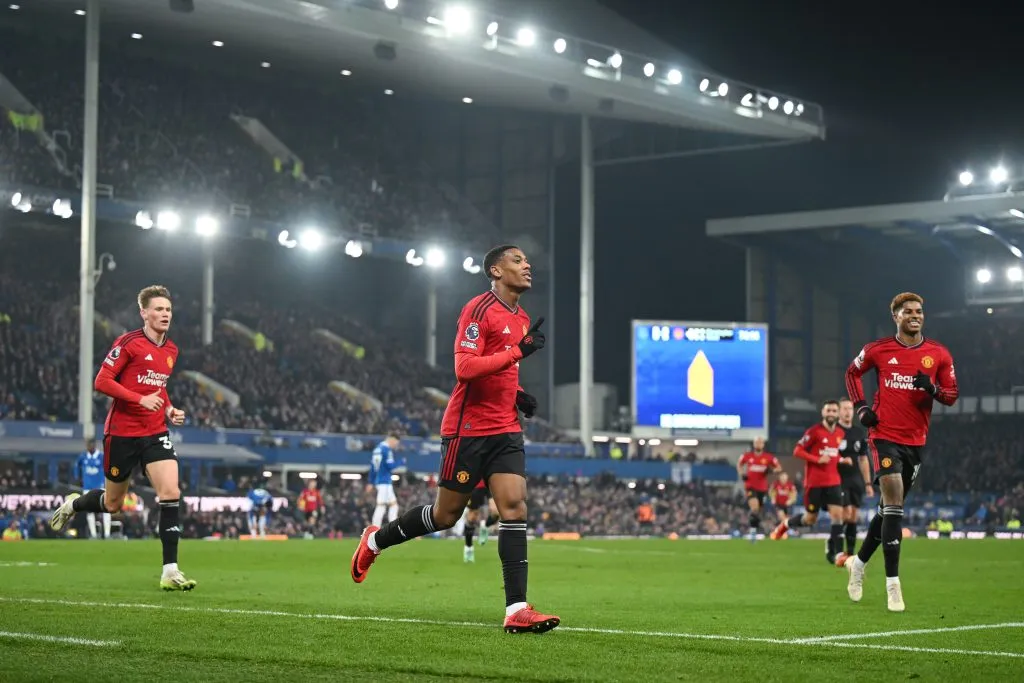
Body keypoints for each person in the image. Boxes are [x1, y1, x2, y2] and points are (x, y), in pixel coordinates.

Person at [349, 244, 559, 634]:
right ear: (495, 271)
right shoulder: (478, 310)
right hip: (468, 430)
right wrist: (517, 352)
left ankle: (516, 610)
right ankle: (376, 541)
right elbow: (465, 368)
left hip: (505, 429)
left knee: (514, 508)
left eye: (527, 260)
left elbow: (502, 368)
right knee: (447, 515)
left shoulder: (522, 316)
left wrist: (517, 395)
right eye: (517, 260)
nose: (527, 265)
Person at [49, 286, 195, 590]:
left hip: (155, 432)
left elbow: (160, 385)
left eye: (168, 309)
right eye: (158, 309)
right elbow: (101, 381)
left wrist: (168, 408)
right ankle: (73, 505)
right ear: (143, 312)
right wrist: (139, 400)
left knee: (171, 492)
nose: (165, 314)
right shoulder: (128, 343)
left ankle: (170, 570)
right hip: (122, 434)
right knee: (113, 503)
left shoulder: (172, 350)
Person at [841, 292, 958, 612]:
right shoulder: (878, 350)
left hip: (915, 442)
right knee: (893, 503)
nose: (915, 315)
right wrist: (862, 407)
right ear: (896, 316)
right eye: (908, 311)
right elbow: (851, 373)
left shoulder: (938, 354)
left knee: (887, 511)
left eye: (919, 311)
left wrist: (931, 388)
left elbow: (951, 395)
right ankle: (893, 585)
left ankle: (859, 564)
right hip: (883, 436)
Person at [770, 399, 845, 565]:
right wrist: (817, 459)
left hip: (833, 482)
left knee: (838, 516)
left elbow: (833, 454)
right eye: (828, 410)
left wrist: (841, 460)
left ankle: (838, 553)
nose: (831, 413)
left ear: (838, 414)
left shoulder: (840, 434)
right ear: (823, 413)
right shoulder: (814, 431)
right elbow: (797, 450)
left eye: (834, 411)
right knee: (810, 519)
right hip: (814, 483)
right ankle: (785, 524)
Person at [835, 398, 872, 557]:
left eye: (850, 408)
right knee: (845, 512)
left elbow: (863, 459)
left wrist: (868, 483)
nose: (848, 411)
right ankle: (836, 548)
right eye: (844, 408)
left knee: (853, 516)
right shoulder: (833, 431)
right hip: (838, 477)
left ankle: (849, 554)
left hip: (855, 478)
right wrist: (840, 460)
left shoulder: (859, 433)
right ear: (838, 412)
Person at [736, 437, 781, 541]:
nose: (758, 444)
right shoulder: (747, 456)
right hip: (750, 486)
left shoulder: (768, 457)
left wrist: (771, 471)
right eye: (756, 442)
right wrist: (741, 473)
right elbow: (739, 464)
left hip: (762, 488)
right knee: (754, 508)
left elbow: (779, 467)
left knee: (758, 512)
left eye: (760, 442)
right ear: (754, 444)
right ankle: (752, 533)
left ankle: (754, 529)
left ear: (763, 445)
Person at [75, 438, 110, 539]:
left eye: (90, 445)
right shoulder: (83, 456)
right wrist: (78, 477)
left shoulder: (101, 456)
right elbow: (76, 466)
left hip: (100, 487)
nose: (89, 447)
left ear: (94, 445)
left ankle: (107, 534)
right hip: (87, 488)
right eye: (87, 445)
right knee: (90, 512)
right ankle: (94, 534)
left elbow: (109, 466)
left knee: (106, 510)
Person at [369, 433, 403, 528]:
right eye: (396, 443)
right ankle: (374, 530)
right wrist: (401, 462)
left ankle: (394, 528)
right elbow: (390, 466)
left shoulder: (377, 449)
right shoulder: (387, 450)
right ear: (391, 440)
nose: (395, 445)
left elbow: (373, 467)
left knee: (394, 505)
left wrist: (371, 481)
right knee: (381, 506)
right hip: (384, 481)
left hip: (380, 481)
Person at [462, 480, 499, 562]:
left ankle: (485, 526)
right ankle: (468, 548)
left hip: (489, 483)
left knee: (496, 511)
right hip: (475, 484)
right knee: (472, 517)